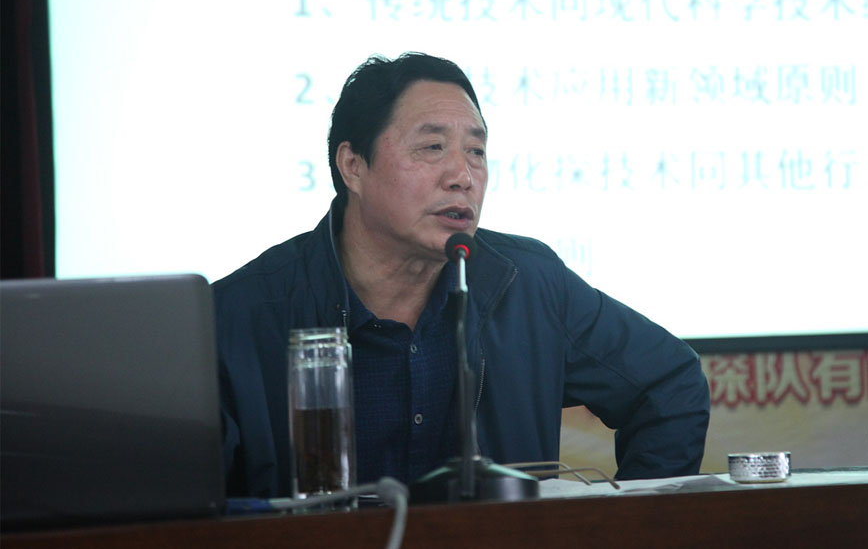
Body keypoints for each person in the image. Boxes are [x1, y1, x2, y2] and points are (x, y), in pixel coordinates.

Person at [213, 52, 710, 498]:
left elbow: (671, 384)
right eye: (432, 147)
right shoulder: (239, 317)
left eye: (476, 151)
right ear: (353, 166)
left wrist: (620, 532)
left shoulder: (527, 284)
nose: (463, 176)